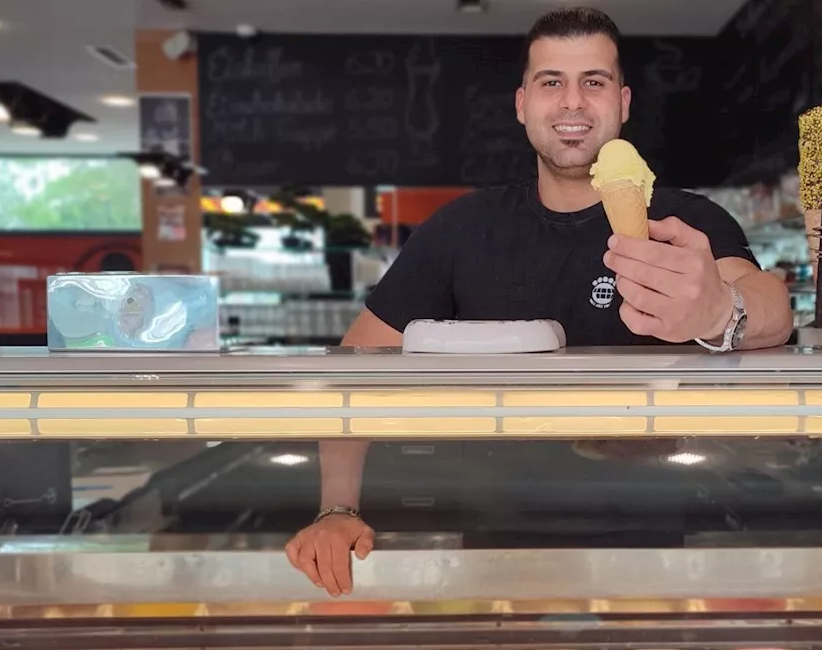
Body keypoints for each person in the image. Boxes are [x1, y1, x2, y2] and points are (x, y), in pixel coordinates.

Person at [286, 7, 794, 595]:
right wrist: (335, 509)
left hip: (654, 552)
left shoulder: (687, 221)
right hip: (492, 552)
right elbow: (354, 369)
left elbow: (771, 311)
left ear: (623, 103)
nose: (573, 103)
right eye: (552, 82)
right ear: (523, 103)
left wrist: (721, 311)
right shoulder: (460, 230)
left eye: (594, 83)